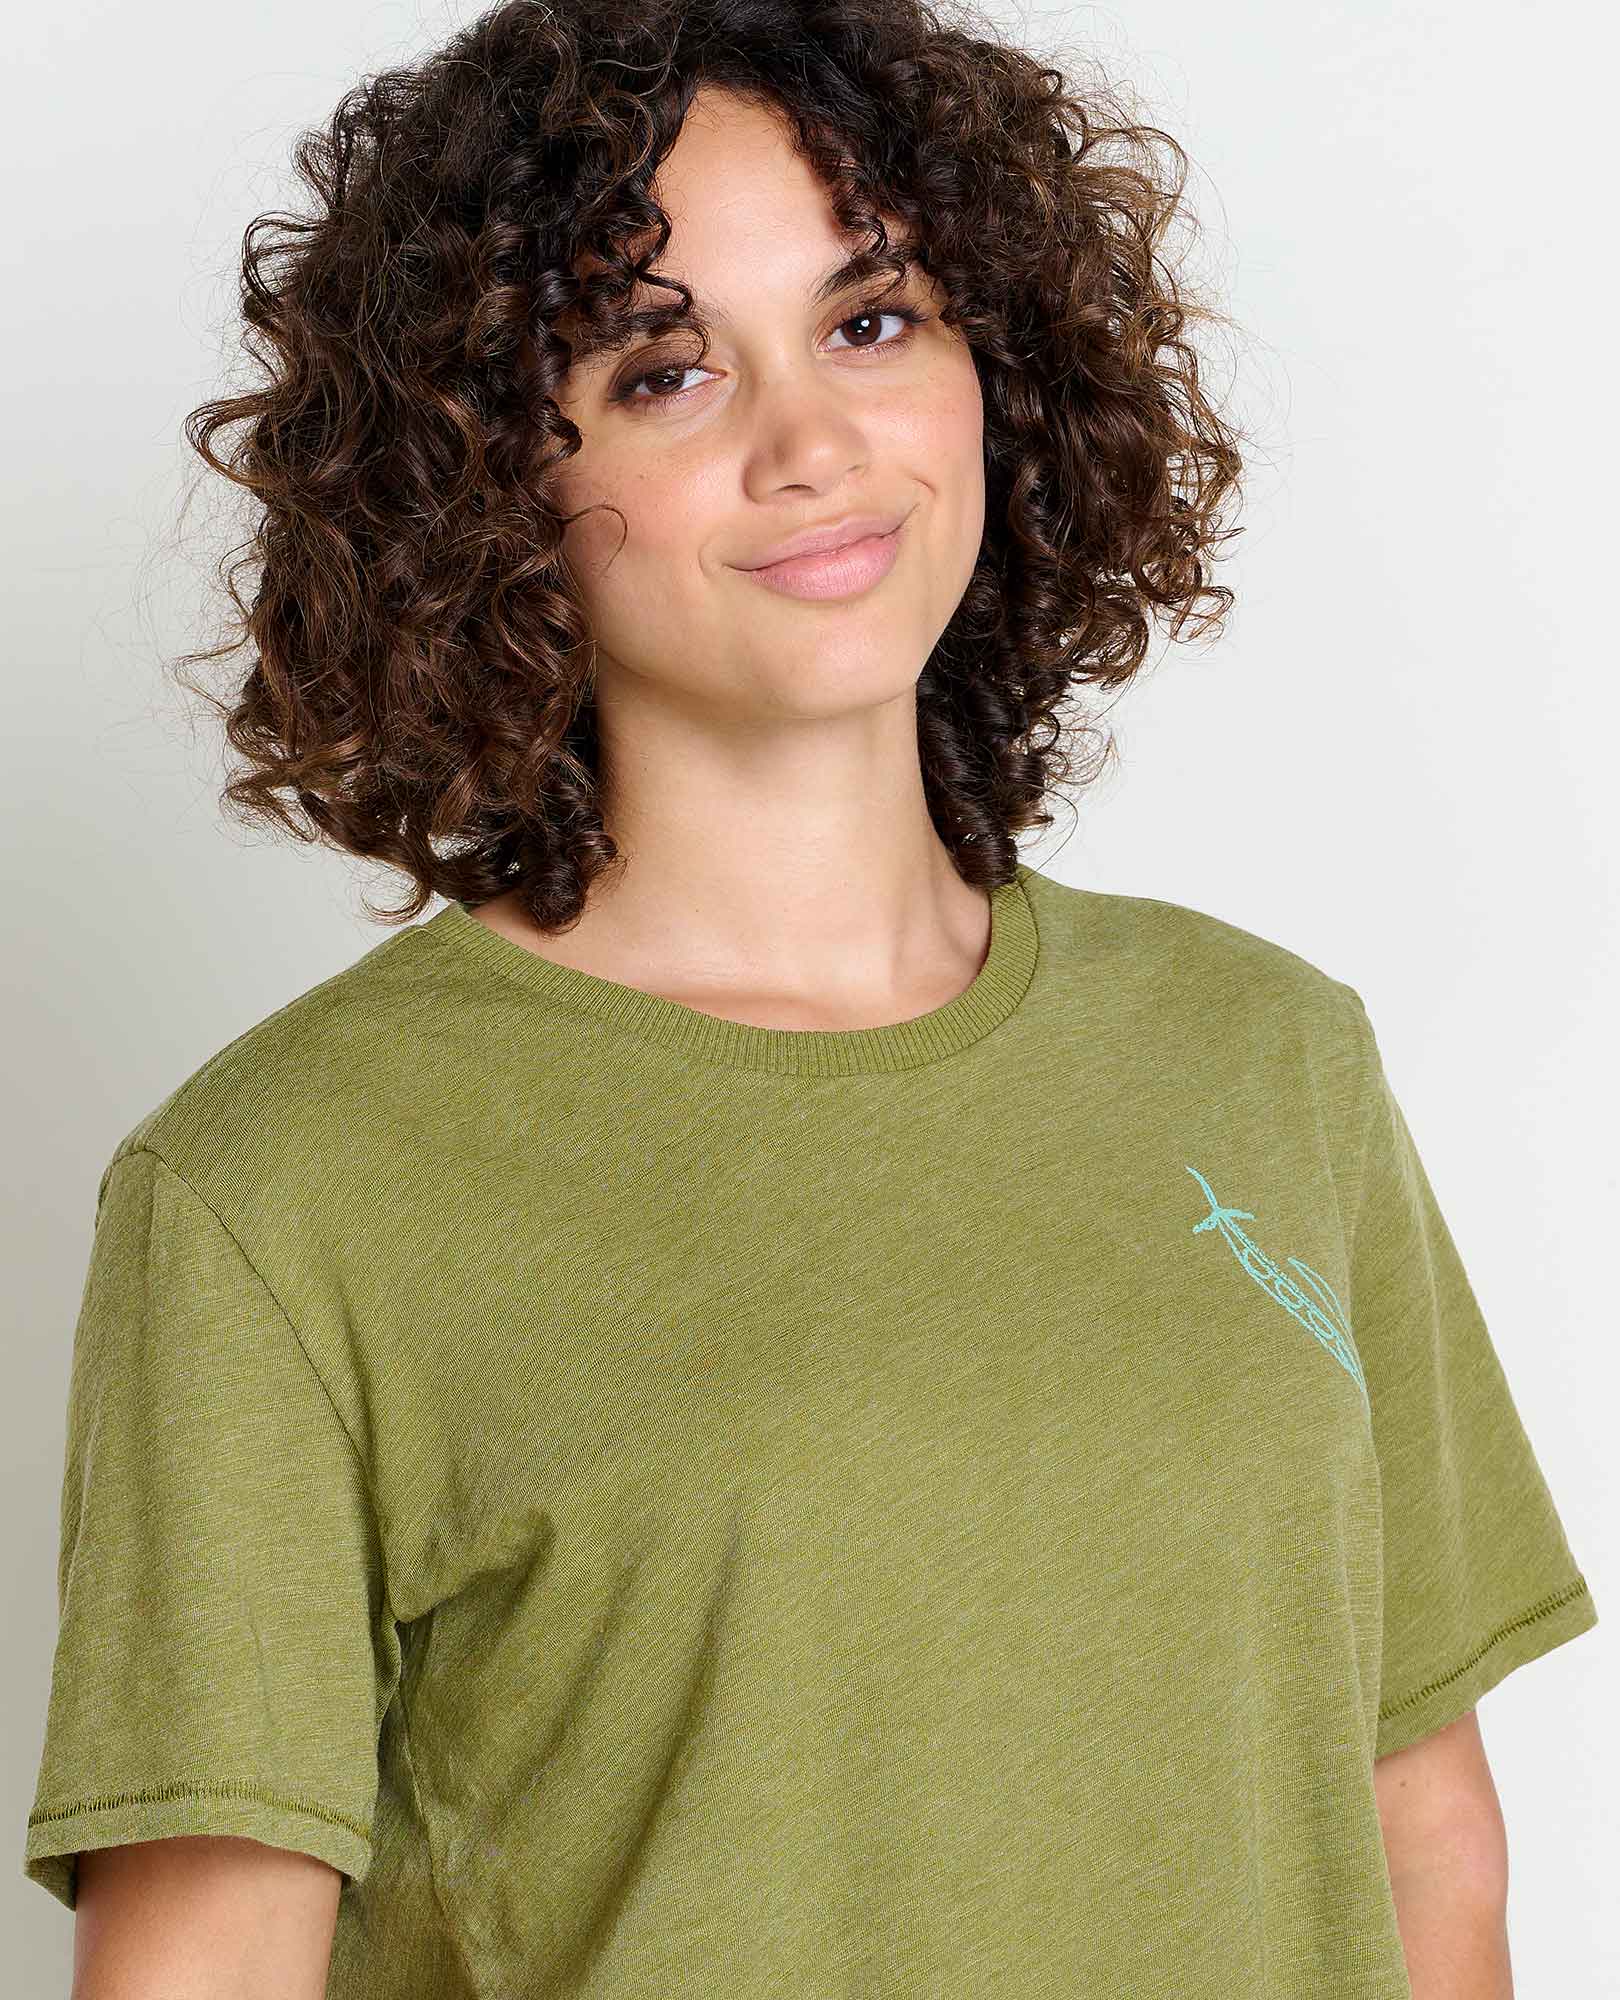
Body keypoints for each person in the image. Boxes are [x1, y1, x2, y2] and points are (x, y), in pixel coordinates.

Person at [22, 1, 1598, 1994]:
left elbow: (1426, 1849)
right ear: (489, 485)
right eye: (664, 369)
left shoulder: (1269, 1055)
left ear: (996, 370)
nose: (812, 446)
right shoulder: (279, 1187)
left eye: (871, 321)